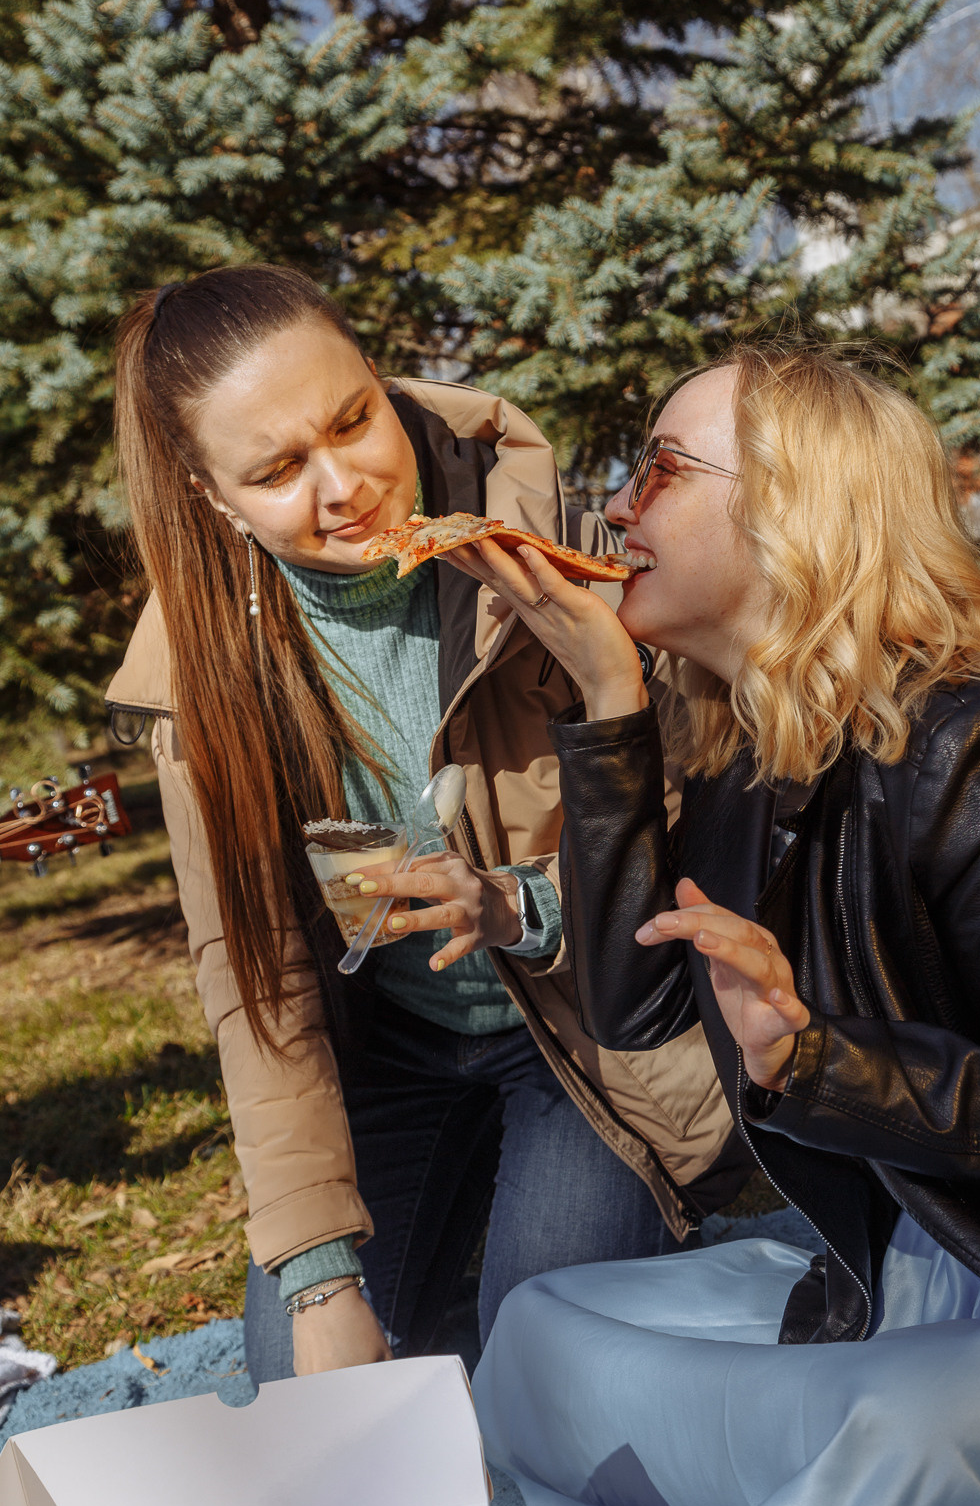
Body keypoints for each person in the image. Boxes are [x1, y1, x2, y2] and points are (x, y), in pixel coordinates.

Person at [448, 343, 980, 1506]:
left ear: (791, 511)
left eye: (657, 470)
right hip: (893, 1274)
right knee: (540, 1340)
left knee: (892, 1444)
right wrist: (611, 704)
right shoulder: (749, 760)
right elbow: (632, 1006)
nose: (612, 506)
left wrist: (816, 1066)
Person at [104, 266, 750, 1385]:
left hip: (579, 1034)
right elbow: (251, 983)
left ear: (384, 383)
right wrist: (317, 1278)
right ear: (215, 498)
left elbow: (696, 835)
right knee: (311, 1375)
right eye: (275, 470)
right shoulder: (197, 673)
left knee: (544, 1367)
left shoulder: (546, 541)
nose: (346, 485)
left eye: (353, 420)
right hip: (391, 1051)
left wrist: (517, 903)